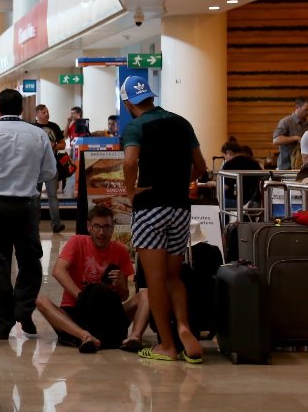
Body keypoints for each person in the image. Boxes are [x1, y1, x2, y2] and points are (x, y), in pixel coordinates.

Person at [119, 75, 207, 364]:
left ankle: (167, 344)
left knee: (154, 279)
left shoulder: (136, 126)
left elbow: (130, 162)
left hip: (150, 208)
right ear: (151, 97)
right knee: (173, 276)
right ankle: (183, 326)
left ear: (128, 104)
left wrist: (131, 191)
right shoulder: (182, 123)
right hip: (180, 207)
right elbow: (200, 166)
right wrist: (177, 182)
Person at [0, 88, 56, 341]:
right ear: (22, 109)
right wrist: (29, 178)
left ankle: (2, 323)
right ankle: (23, 309)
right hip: (27, 206)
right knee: (30, 260)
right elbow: (49, 172)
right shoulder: (38, 134)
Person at [35, 205, 147, 353]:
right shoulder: (77, 242)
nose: (101, 232)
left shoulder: (121, 250)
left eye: (106, 227)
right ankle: (84, 336)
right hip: (76, 311)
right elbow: (58, 271)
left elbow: (123, 296)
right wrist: (81, 296)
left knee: (146, 295)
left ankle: (135, 337)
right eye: (97, 227)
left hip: (108, 312)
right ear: (89, 227)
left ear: (112, 228)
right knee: (41, 301)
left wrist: (121, 286)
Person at [33, 104, 67, 233]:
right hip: (35, 166)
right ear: (37, 114)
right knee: (35, 196)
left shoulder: (54, 127)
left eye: (47, 112)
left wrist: (54, 146)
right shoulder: (32, 127)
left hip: (51, 165)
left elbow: (63, 144)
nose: (46, 114)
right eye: (43, 112)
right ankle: (35, 223)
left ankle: (56, 224)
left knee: (52, 195)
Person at [272, 97, 308, 170]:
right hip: (286, 166)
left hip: (303, 167)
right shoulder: (286, 122)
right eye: (306, 110)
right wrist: (295, 138)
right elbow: (276, 140)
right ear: (297, 107)